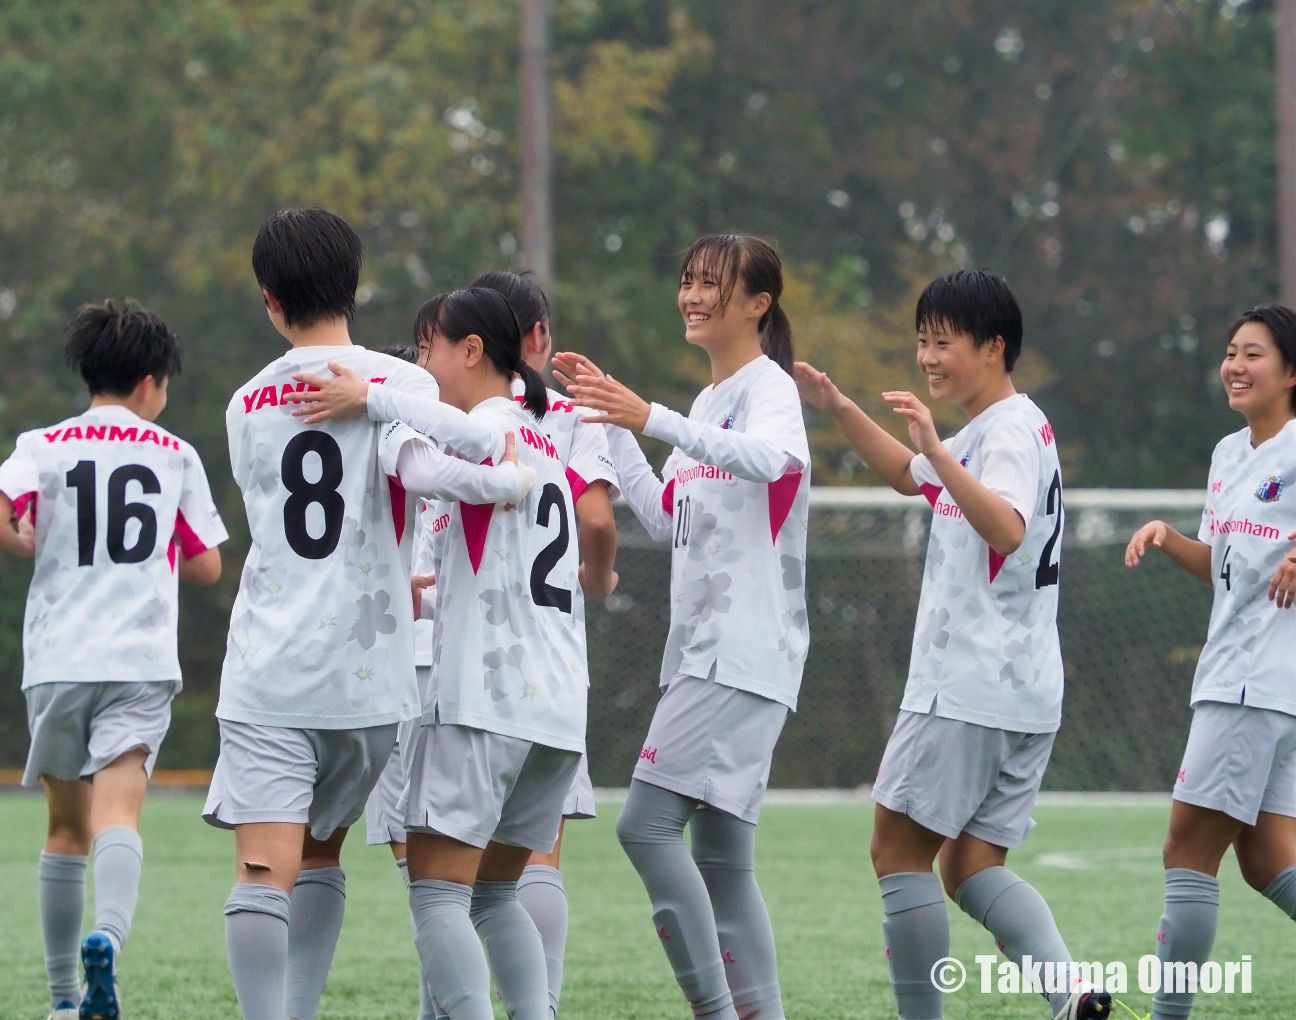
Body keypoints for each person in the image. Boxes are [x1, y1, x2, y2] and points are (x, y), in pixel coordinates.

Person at [207, 212, 533, 1020]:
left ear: (270, 299)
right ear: (355, 286)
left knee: (263, 869)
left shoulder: (245, 403)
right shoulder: (407, 385)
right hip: (371, 676)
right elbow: (434, 472)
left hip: (272, 666)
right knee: (321, 849)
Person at [289, 271, 620, 1019]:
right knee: (498, 894)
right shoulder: (548, 435)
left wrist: (372, 401)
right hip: (559, 709)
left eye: (427, 348)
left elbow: (433, 471)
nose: (419, 363)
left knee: (438, 892)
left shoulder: (492, 431)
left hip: (483, 699)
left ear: (471, 350)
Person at [792, 268, 1111, 1020]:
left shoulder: (1002, 431)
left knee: (896, 853)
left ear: (995, 346)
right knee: (969, 866)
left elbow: (1005, 526)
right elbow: (910, 475)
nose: (928, 357)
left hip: (967, 682)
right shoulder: (1005, 425)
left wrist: (938, 452)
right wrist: (839, 407)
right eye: (922, 342)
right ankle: (1071, 994)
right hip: (1025, 691)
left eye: (944, 342)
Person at [553, 233, 811, 1020]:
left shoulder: (770, 389)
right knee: (725, 862)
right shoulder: (707, 403)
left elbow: (776, 460)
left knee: (644, 827)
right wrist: (613, 427)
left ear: (758, 304)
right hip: (710, 654)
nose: (693, 296)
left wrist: (652, 415)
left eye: (712, 284)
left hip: (738, 654)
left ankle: (715, 1010)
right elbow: (667, 518)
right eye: (689, 281)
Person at [0, 300, 228, 1020]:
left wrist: (33, 541)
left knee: (64, 828)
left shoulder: (42, 444)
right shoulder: (173, 453)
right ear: (151, 382)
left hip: (57, 657)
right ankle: (108, 943)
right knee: (120, 812)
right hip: (138, 659)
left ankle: (60, 1000)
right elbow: (208, 565)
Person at [1124, 303, 1296, 1019]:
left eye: (1253, 353)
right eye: (1230, 352)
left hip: (1256, 683)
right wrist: (1169, 539)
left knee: (1185, 852)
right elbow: (1226, 569)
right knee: (1266, 861)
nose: (1235, 365)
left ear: (1291, 372)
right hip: (1246, 680)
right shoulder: (1230, 454)